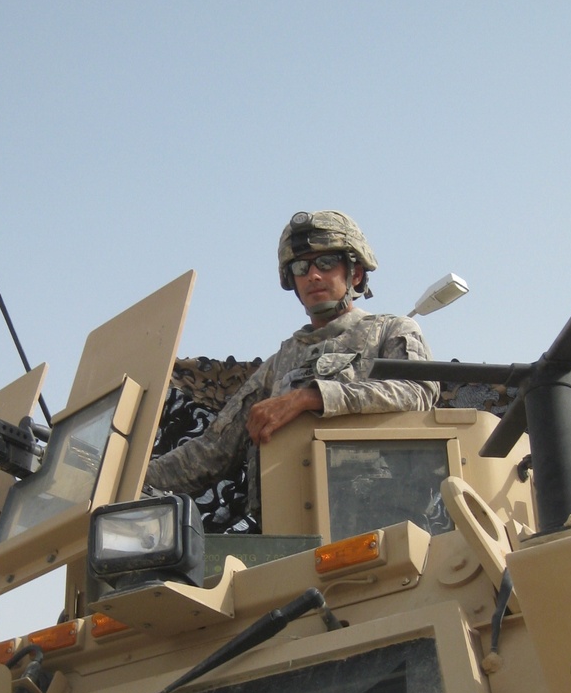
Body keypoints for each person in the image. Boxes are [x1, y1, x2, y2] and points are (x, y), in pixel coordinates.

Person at [144, 210, 440, 522]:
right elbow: (212, 451)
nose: (313, 275)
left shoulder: (390, 330)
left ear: (354, 273)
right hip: (289, 527)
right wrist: (130, 480)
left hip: (381, 518)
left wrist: (310, 397)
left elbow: (418, 392)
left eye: (326, 263)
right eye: (301, 267)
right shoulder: (279, 364)